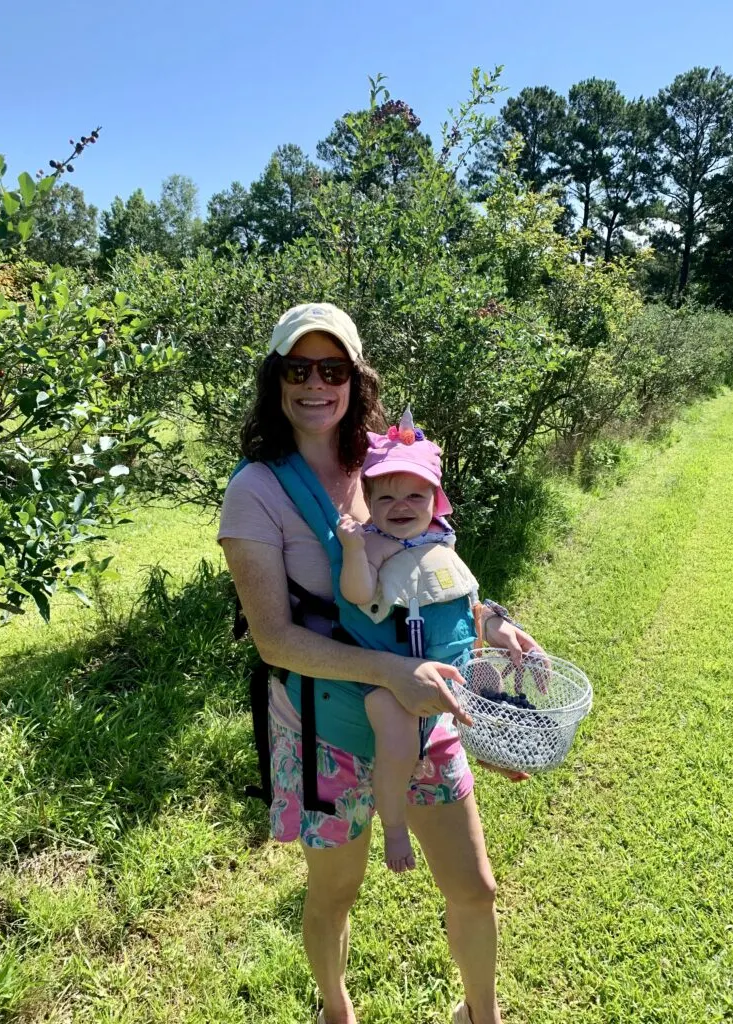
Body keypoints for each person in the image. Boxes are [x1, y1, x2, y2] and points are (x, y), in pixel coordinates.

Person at [219, 302, 545, 1024]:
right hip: (323, 724)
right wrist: (391, 675)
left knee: (476, 887)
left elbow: (436, 573)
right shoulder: (256, 491)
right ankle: (336, 1009)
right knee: (335, 892)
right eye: (298, 368)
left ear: (354, 377)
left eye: (331, 368)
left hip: (425, 713)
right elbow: (273, 640)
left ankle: (480, 1015)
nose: (315, 385)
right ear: (276, 380)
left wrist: (496, 624)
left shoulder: (386, 459)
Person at [337, 408, 526, 875]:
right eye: (386, 498)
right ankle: (395, 824)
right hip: (396, 679)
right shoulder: (377, 544)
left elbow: (462, 597)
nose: (400, 506)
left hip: (454, 664)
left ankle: (500, 752)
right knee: (397, 738)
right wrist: (354, 551)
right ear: (370, 501)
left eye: (415, 496)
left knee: (495, 698)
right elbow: (357, 594)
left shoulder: (442, 539)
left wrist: (493, 623)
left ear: (435, 500)